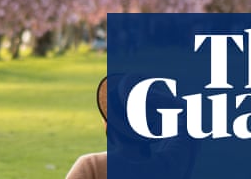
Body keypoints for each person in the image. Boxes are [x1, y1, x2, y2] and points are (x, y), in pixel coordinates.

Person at [65, 76, 198, 179]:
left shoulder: (92, 166)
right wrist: (167, 102)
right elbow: (189, 125)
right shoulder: (170, 165)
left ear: (108, 127)